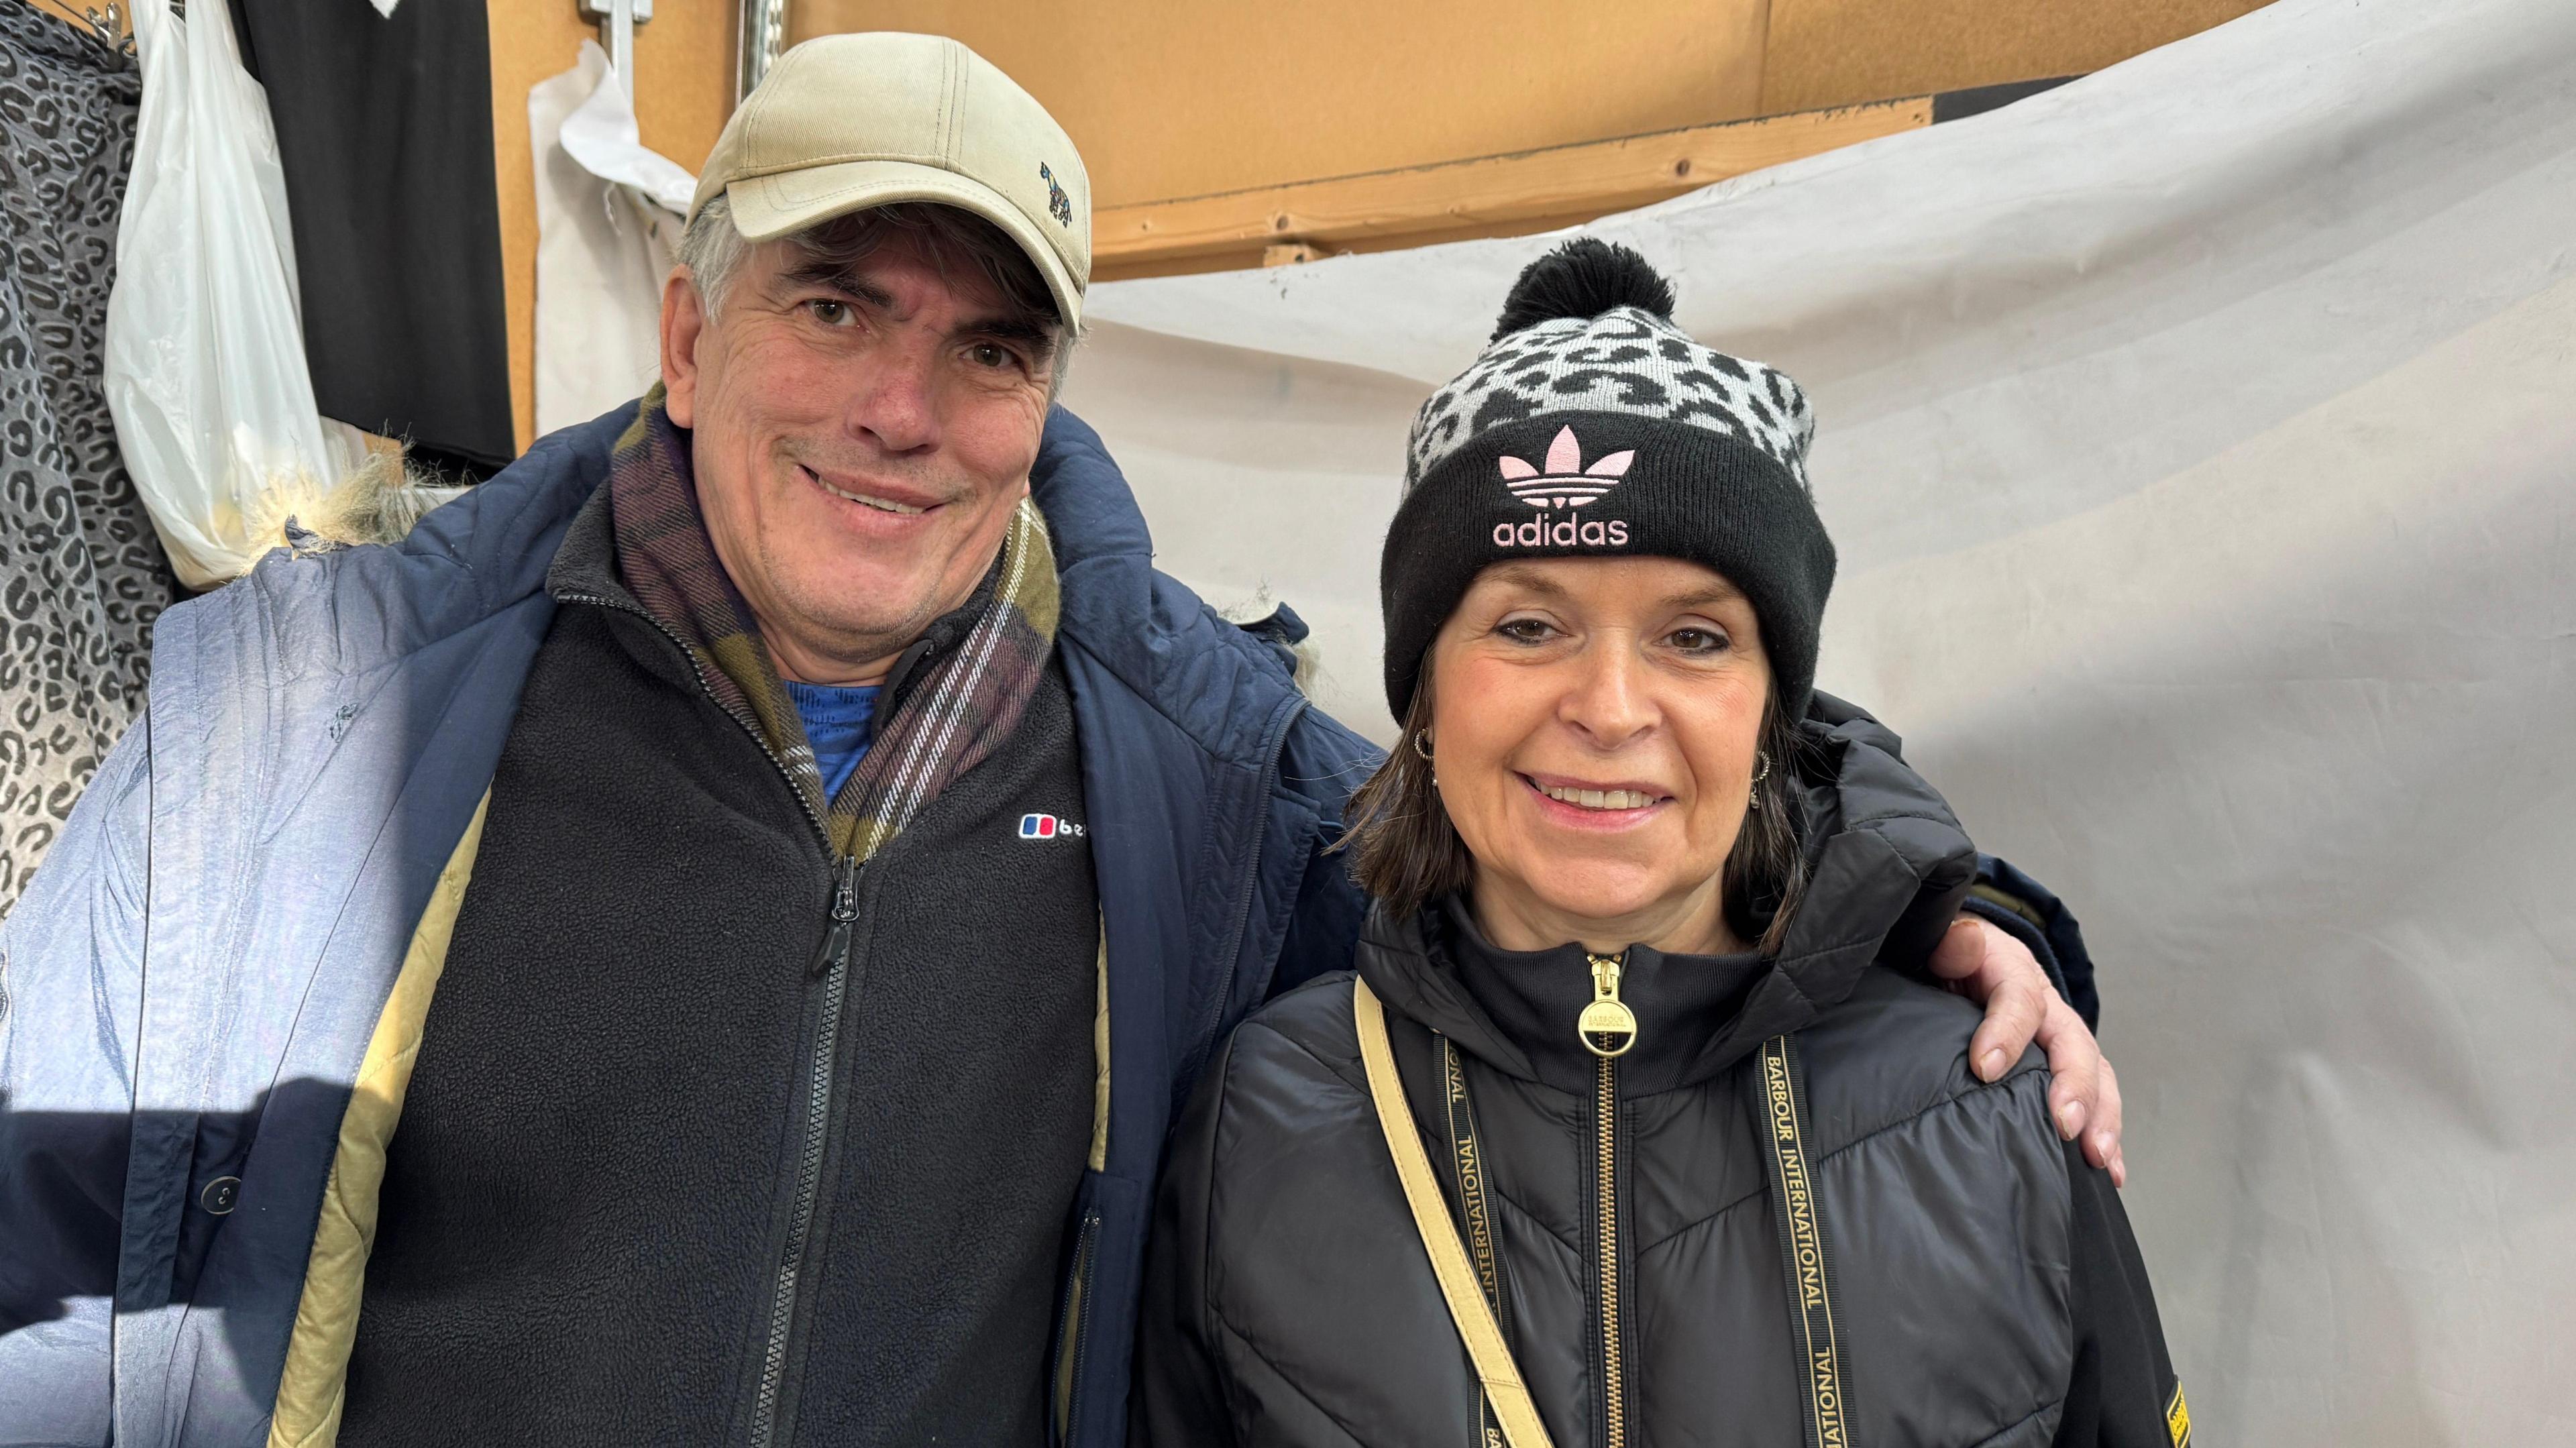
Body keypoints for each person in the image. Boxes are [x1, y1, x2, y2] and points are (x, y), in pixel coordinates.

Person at [0, 35, 2120, 1448]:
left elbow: (1585, 777)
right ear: (684, 330)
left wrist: (1923, 896)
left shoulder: (1198, 777)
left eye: (988, 345)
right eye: (836, 307)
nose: (907, 413)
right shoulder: (304, 724)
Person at [1132, 242, 2180, 1448]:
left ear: (1773, 709)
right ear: (1428, 693)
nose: (1611, 707)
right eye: (1528, 625)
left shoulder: (1991, 1105)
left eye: (1694, 638)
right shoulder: (1261, 1117)